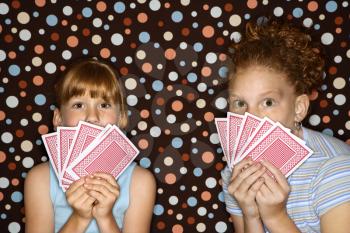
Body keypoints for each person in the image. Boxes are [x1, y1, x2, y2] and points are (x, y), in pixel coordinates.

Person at [221, 18, 350, 233]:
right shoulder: (236, 172)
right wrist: (250, 214)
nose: (251, 117)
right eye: (240, 103)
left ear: (299, 108)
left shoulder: (336, 170)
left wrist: (275, 217)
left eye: (268, 102)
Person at [24, 58, 156, 233]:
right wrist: (79, 218)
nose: (92, 117)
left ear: (122, 117)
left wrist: (105, 217)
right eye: (78, 105)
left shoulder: (140, 182)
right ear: (58, 118)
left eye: (104, 104)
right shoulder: (40, 179)